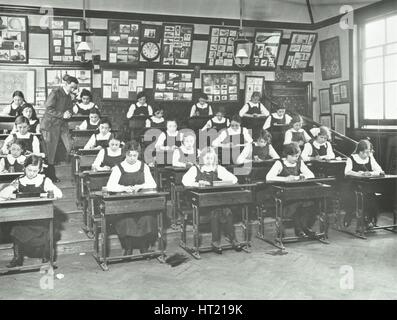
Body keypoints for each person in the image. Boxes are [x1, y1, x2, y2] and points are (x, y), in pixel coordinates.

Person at [0, 156, 62, 268]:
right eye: (29, 170)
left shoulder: (44, 180)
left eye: (35, 170)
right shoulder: (19, 180)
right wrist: (11, 189)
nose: (32, 173)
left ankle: (47, 255)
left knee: (50, 228)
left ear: (39, 170)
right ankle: (17, 258)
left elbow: (59, 194)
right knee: (15, 229)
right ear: (24, 168)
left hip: (41, 219)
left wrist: (48, 192)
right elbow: (2, 195)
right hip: (23, 218)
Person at [182, 147, 243, 253]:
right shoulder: (195, 169)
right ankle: (215, 241)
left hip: (216, 200)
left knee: (227, 210)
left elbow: (234, 179)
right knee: (216, 211)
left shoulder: (217, 168)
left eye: (211, 158)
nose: (209, 160)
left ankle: (233, 239)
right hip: (199, 202)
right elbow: (185, 181)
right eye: (206, 158)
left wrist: (223, 182)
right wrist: (198, 183)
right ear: (201, 158)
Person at [106, 141, 158, 255]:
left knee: (146, 218)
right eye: (130, 155)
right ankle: (128, 247)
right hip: (123, 206)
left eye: (135, 155)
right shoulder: (118, 168)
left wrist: (141, 186)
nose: (132, 158)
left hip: (141, 204)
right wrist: (123, 188)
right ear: (126, 154)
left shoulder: (143, 166)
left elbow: (153, 184)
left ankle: (143, 246)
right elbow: (110, 186)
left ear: (138, 155)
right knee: (126, 220)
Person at [266, 142, 317, 237]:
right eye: (293, 156)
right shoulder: (279, 163)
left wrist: (301, 176)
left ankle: (304, 227)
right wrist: (285, 179)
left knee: (309, 202)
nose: (296, 158)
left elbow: (311, 175)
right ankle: (299, 229)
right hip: (283, 195)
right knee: (297, 203)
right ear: (287, 155)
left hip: (297, 193)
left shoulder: (299, 162)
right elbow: (268, 177)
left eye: (297, 156)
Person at [41, 74, 78, 182]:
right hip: (50, 126)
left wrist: (69, 113)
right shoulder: (55, 92)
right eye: (72, 87)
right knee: (50, 152)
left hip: (61, 126)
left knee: (70, 146)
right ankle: (50, 176)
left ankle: (72, 174)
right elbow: (48, 108)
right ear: (65, 84)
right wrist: (63, 115)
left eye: (75, 88)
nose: (73, 90)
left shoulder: (69, 96)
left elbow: (70, 109)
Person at [342, 139, 384, 229]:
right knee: (353, 200)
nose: (367, 155)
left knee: (371, 199)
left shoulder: (370, 157)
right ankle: (349, 215)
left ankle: (369, 220)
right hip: (353, 186)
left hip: (367, 186)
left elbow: (379, 170)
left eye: (369, 152)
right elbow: (347, 172)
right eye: (365, 152)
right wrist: (359, 173)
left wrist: (370, 173)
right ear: (360, 151)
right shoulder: (351, 158)